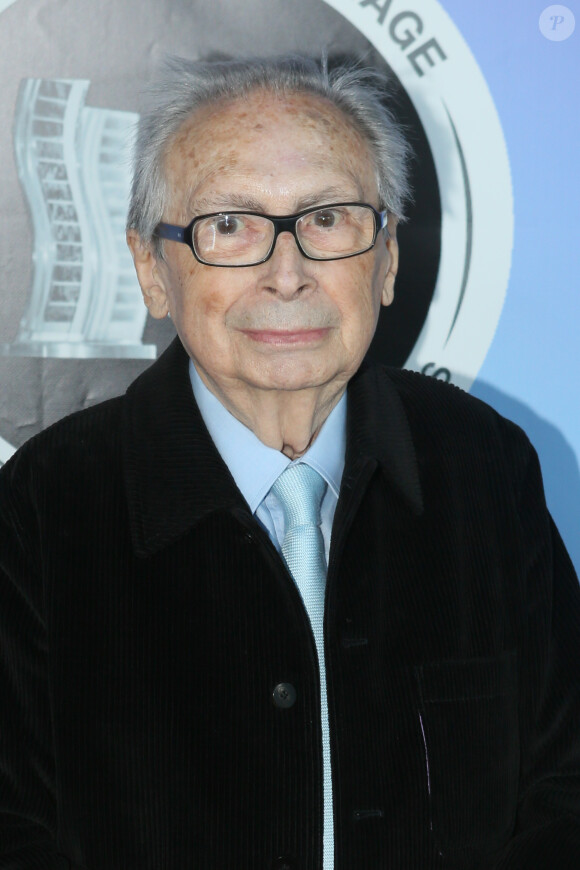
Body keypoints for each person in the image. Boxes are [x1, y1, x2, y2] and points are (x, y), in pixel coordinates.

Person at [1, 55, 579, 870]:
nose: (286, 273)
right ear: (151, 271)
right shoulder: (41, 510)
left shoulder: (483, 468)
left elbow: (562, 788)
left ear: (385, 261)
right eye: (230, 225)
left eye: (328, 219)